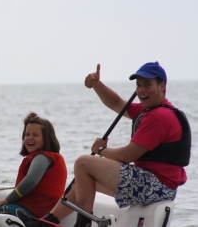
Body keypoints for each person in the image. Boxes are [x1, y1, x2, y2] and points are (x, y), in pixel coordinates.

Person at [17, 62, 191, 227]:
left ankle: (83, 223)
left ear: (162, 86)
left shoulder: (158, 117)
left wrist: (101, 150)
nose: (141, 90)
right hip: (154, 184)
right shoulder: (150, 110)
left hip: (156, 186)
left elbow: (127, 155)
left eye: (147, 84)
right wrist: (97, 84)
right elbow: (117, 103)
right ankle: (47, 222)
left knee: (83, 163)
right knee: (83, 181)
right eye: (138, 85)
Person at [0, 112, 67, 217]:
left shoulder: (42, 157)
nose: (30, 138)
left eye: (35, 135)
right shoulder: (46, 157)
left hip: (33, 210)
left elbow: (31, 181)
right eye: (27, 134)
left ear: (47, 138)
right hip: (35, 209)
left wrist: (7, 200)